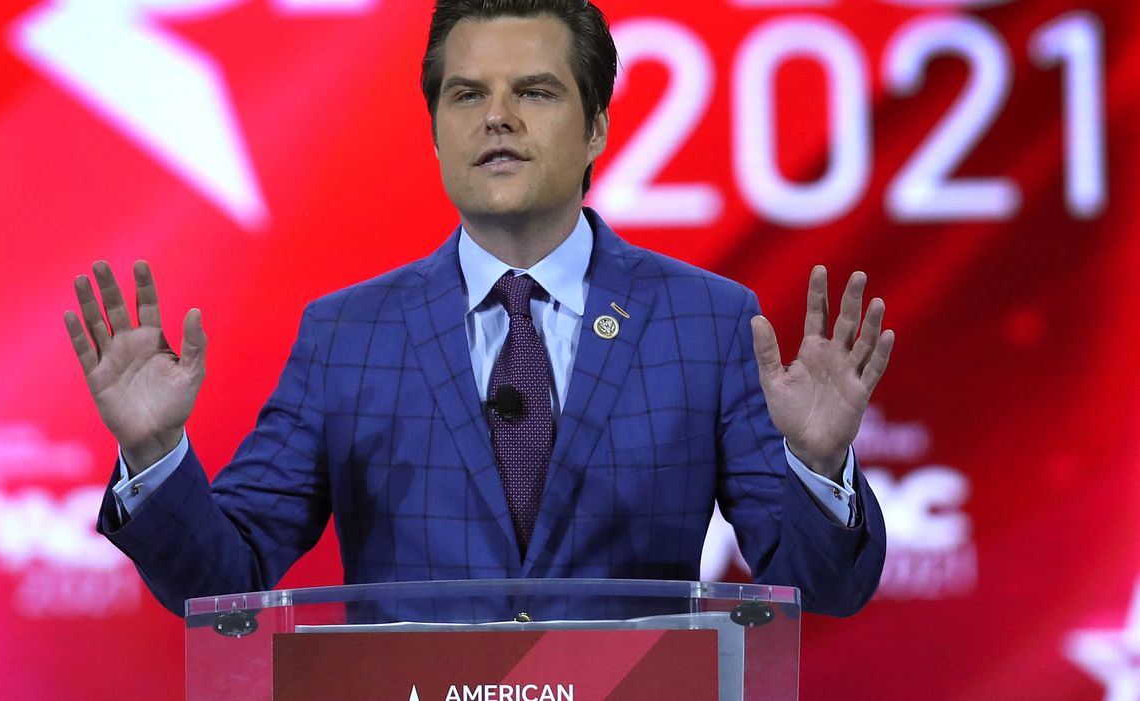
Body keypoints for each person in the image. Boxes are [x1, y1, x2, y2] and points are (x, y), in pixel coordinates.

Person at [65, 0, 892, 618]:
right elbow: (225, 580)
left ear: (598, 124)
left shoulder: (704, 322)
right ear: (433, 133)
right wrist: (155, 449)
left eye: (533, 91)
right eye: (466, 96)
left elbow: (821, 587)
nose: (496, 116)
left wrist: (818, 466)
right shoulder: (346, 335)